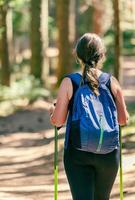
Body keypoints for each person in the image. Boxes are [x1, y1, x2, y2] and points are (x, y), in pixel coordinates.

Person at [49, 33, 129, 200]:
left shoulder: (70, 82)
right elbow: (123, 120)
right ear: (101, 55)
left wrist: (53, 110)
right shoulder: (111, 82)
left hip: (77, 153)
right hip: (109, 153)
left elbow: (58, 121)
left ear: (77, 55)